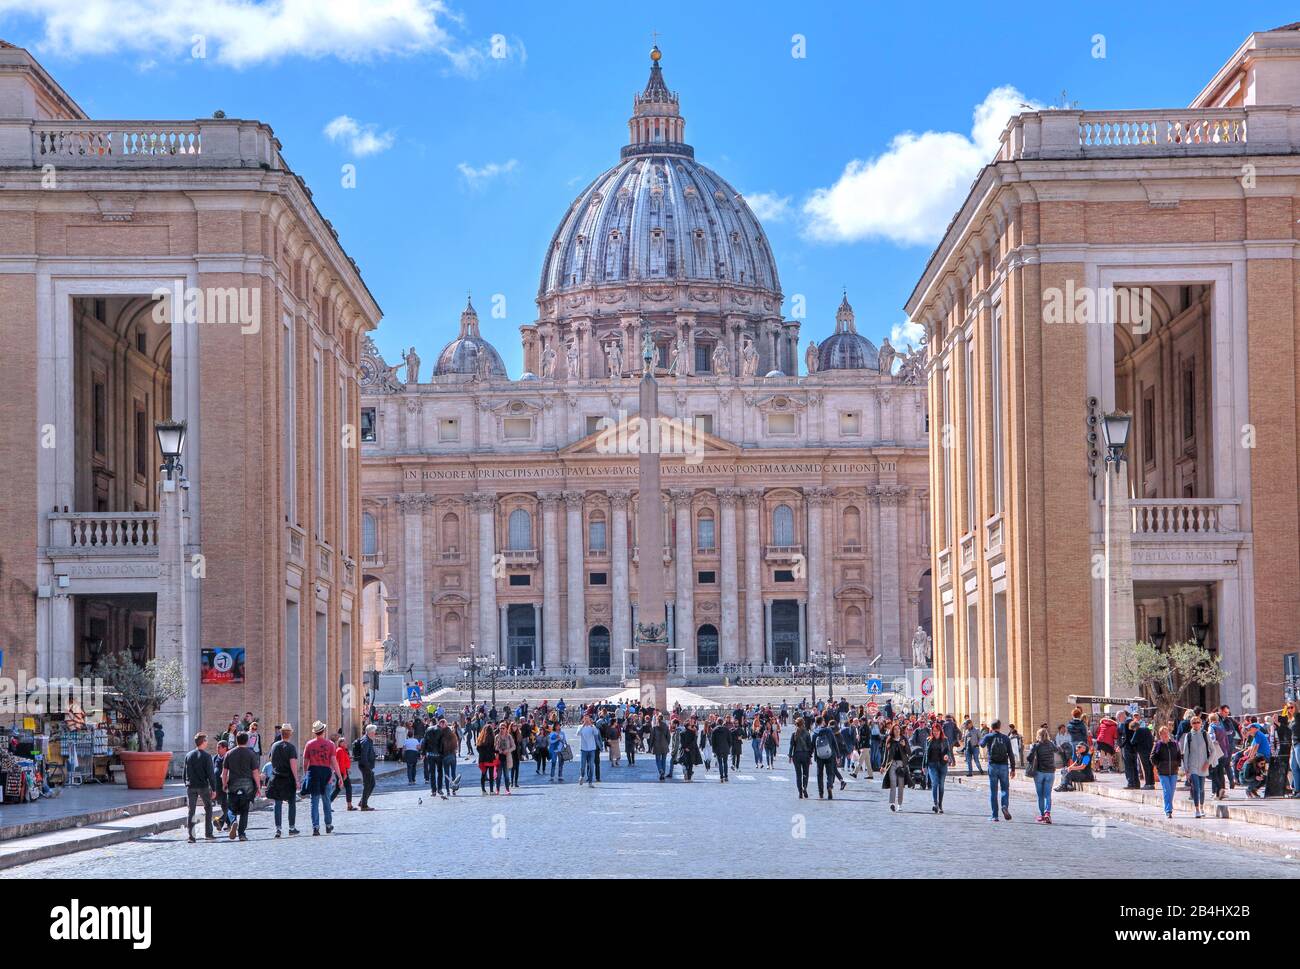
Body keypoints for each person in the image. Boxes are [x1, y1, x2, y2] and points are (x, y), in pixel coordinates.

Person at [219, 730, 262, 841]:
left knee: (231, 808)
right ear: (247, 741)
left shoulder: (229, 754)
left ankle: (233, 822)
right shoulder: (251, 754)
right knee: (244, 811)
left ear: (236, 741)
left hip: (233, 784)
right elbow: (255, 772)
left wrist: (224, 784)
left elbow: (224, 772)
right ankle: (242, 834)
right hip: (247, 786)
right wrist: (258, 786)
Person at [303, 721, 341, 835]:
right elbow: (334, 762)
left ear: (315, 732)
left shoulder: (309, 744)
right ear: (323, 731)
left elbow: (305, 763)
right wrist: (339, 777)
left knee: (314, 802)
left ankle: (316, 827)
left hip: (313, 772)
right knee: (326, 801)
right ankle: (328, 825)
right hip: (326, 773)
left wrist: (306, 774)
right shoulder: (330, 744)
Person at [265, 724, 300, 837]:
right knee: (291, 803)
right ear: (290, 734)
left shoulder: (274, 746)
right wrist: (296, 779)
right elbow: (293, 765)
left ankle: (278, 829)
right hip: (288, 778)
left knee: (278, 803)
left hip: (276, 777)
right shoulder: (291, 747)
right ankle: (291, 827)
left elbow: (270, 759)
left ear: (281, 733)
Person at [183, 732, 218, 843]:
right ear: (203, 742)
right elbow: (211, 774)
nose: (207, 742)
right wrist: (214, 788)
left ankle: (191, 837)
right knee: (208, 808)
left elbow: (184, 772)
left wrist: (186, 783)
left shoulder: (189, 755)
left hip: (191, 786)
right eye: (206, 740)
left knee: (191, 811)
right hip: (203, 786)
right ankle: (208, 833)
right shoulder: (207, 756)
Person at [1180, 714, 1216, 818]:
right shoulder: (1189, 736)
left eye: (1198, 722)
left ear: (1201, 723)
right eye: (1194, 722)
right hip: (1193, 766)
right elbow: (1186, 753)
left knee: (1201, 788)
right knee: (1196, 787)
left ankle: (1202, 807)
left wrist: (1208, 762)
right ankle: (1197, 809)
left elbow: (1213, 750)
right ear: (1191, 724)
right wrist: (1186, 769)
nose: (1196, 724)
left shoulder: (1205, 734)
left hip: (1203, 766)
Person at [982, 720, 1015, 821]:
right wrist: (1013, 769)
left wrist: (985, 736)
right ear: (1000, 727)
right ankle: (1004, 806)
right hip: (1004, 766)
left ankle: (995, 815)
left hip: (993, 766)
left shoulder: (989, 736)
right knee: (1005, 789)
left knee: (993, 791)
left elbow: (981, 744)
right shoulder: (1005, 738)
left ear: (991, 727)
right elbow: (1010, 754)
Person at [1151, 725, 1183, 817]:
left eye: (1166, 733)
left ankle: (1168, 807)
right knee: (1166, 790)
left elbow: (1178, 755)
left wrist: (1177, 764)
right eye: (1163, 733)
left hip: (1173, 771)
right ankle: (1168, 810)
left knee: (1172, 791)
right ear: (1160, 735)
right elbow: (1152, 757)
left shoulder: (1174, 744)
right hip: (1163, 772)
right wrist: (1159, 765)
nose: (1165, 735)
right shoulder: (1158, 745)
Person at [1026, 727, 1057, 823]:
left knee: (1040, 796)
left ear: (1038, 736)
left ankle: (1042, 815)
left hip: (1039, 772)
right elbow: (1056, 750)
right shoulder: (1051, 744)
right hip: (1050, 772)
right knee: (1048, 794)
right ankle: (1047, 813)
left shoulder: (1036, 745)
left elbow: (1029, 758)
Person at [881, 724, 909, 812]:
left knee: (901, 785)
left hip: (901, 764)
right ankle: (892, 803)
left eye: (898, 729)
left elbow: (909, 752)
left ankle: (899, 804)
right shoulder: (889, 740)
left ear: (900, 730)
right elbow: (886, 754)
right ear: (892, 731)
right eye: (895, 729)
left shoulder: (903, 739)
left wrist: (904, 746)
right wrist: (883, 766)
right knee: (893, 783)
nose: (897, 731)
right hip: (892, 763)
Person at [924, 722, 950, 814]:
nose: (935, 732)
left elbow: (948, 751)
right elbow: (925, 753)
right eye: (934, 731)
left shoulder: (945, 740)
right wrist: (924, 765)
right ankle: (935, 804)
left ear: (940, 731)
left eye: (937, 731)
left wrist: (947, 756)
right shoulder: (928, 740)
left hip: (942, 765)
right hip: (932, 765)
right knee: (935, 783)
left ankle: (940, 805)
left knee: (941, 785)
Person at [811, 716, 840, 800]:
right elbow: (834, 743)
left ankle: (821, 793)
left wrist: (810, 756)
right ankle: (829, 786)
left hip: (819, 756)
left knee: (819, 774)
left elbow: (812, 746)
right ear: (823, 721)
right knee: (830, 773)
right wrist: (838, 755)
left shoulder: (815, 733)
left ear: (816, 723)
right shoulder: (829, 730)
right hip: (829, 754)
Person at [788, 717, 812, 799]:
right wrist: (810, 756)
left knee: (798, 775)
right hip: (805, 755)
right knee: (806, 774)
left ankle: (800, 792)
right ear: (803, 723)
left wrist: (790, 756)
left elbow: (791, 746)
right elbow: (810, 746)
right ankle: (805, 787)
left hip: (796, 755)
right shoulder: (807, 733)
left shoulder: (794, 733)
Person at [357, 724, 378, 811]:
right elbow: (364, 756)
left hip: (367, 766)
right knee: (367, 785)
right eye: (374, 732)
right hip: (365, 766)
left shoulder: (368, 740)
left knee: (371, 784)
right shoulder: (366, 741)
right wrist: (368, 768)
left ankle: (362, 801)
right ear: (371, 732)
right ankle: (364, 805)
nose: (375, 734)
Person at [577, 715, 600, 786]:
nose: (587, 720)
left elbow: (596, 733)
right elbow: (578, 733)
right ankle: (582, 776)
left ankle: (590, 781)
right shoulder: (580, 727)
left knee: (591, 766)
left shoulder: (592, 727)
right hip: (583, 749)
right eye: (585, 719)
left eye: (588, 719)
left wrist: (591, 725)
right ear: (583, 719)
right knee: (583, 765)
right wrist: (583, 725)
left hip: (592, 749)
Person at [710, 718, 732, 783]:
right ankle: (726, 776)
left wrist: (714, 750)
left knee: (720, 763)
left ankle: (721, 777)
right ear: (722, 722)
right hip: (725, 748)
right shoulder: (726, 730)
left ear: (717, 722)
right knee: (725, 762)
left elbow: (713, 741)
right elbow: (730, 740)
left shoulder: (714, 730)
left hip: (718, 748)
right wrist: (728, 747)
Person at [650, 715, 671, 781]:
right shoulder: (666, 726)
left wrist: (650, 746)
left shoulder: (655, 727)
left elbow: (652, 738)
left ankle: (660, 770)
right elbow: (669, 737)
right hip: (664, 745)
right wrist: (667, 743)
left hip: (657, 745)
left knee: (658, 760)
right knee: (664, 760)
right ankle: (663, 774)